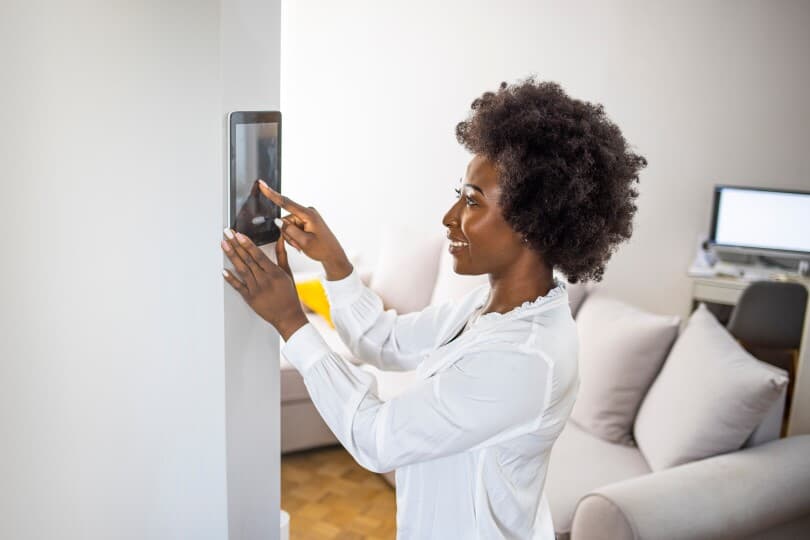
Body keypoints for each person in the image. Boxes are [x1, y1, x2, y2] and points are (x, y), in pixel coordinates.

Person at [220, 76, 647, 539]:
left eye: (471, 201)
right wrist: (335, 262)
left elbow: (377, 438)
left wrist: (291, 323)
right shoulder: (490, 309)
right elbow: (382, 340)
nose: (449, 217)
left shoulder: (524, 357)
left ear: (531, 224)